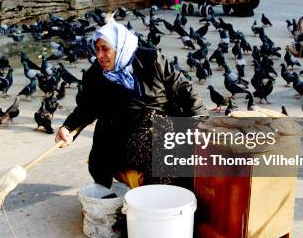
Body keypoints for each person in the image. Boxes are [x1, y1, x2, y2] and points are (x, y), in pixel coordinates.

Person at [55, 21, 207, 188]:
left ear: (120, 47)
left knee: (201, 152)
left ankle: (181, 202)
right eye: (97, 49)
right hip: (126, 136)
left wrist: (201, 122)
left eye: (105, 49)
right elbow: (86, 109)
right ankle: (155, 205)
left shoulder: (151, 60)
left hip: (165, 122)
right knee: (162, 152)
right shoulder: (96, 75)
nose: (99, 55)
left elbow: (184, 89)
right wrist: (68, 128)